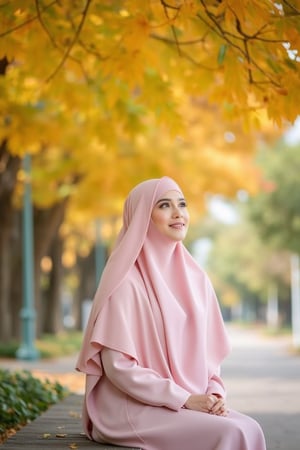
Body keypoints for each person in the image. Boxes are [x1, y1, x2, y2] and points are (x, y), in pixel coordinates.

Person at [76, 176, 266, 450]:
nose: (178, 213)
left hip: (184, 403)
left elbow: (209, 360)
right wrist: (184, 398)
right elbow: (118, 367)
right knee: (231, 434)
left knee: (251, 429)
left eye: (182, 204)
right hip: (131, 408)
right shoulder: (125, 281)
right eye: (164, 205)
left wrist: (213, 393)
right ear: (143, 217)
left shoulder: (197, 279)